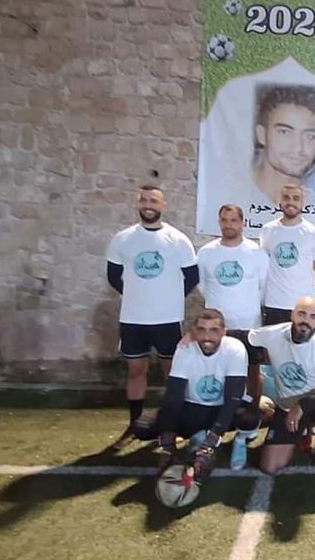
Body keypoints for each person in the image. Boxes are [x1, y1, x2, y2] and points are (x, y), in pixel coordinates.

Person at [106, 184, 198, 450]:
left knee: (172, 374)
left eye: (154, 201)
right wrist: (137, 296)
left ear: (163, 205)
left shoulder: (178, 239)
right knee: (136, 371)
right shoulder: (123, 239)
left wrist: (169, 298)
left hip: (167, 320)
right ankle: (135, 426)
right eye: (144, 200)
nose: (148, 205)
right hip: (133, 319)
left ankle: (171, 425)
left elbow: (192, 277)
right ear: (138, 204)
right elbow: (113, 276)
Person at [248, 297, 315, 477]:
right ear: (292, 315)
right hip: (287, 406)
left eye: (313, 316)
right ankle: (303, 432)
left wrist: (303, 405)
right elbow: (243, 337)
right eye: (301, 314)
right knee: (269, 467)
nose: (306, 320)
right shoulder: (273, 333)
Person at [151, 310, 262, 471]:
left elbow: (233, 397)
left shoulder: (235, 348)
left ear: (224, 332)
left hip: (223, 407)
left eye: (214, 330)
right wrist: (168, 445)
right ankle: (197, 437)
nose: (207, 336)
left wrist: (213, 438)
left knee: (250, 416)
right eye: (201, 329)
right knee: (145, 426)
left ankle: (240, 441)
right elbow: (174, 395)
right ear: (194, 331)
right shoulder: (184, 349)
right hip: (195, 407)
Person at [196, 204, 268, 405]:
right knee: (216, 368)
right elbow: (201, 285)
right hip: (217, 326)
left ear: (243, 223)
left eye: (234, 220)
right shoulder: (206, 253)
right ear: (219, 223)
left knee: (252, 369)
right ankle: (218, 410)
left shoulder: (257, 253)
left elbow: (263, 286)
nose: (229, 225)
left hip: (249, 324)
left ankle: (253, 411)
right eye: (224, 220)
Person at [259, 185, 315, 326]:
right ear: (280, 201)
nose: (291, 202)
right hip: (273, 304)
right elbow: (263, 265)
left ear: (303, 202)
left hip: (302, 307)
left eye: (296, 198)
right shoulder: (267, 231)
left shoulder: (314, 234)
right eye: (286, 198)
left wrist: (300, 290)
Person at [252, 85, 315, 205]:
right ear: (261, 135)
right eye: (285, 132)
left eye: (309, 136)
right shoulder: (231, 192)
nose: (298, 148)